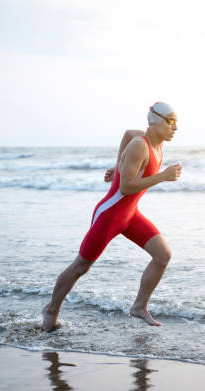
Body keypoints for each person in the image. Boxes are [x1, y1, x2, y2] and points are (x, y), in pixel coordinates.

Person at [42, 102, 181, 332]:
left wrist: (117, 166)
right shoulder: (141, 145)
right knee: (80, 267)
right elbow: (126, 188)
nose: (175, 127)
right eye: (171, 121)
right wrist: (162, 177)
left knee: (163, 255)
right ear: (156, 120)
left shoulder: (153, 144)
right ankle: (51, 309)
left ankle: (139, 306)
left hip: (130, 216)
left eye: (176, 122)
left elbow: (126, 134)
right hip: (109, 215)